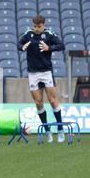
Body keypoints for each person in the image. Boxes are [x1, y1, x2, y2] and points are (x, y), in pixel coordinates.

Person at [17, 15, 66, 143]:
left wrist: (49, 48)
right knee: (38, 103)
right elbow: (19, 43)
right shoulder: (28, 34)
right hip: (33, 73)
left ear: (43, 25)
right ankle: (47, 131)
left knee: (52, 100)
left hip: (46, 72)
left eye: (39, 26)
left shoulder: (49, 34)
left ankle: (60, 129)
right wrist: (22, 47)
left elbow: (61, 45)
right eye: (34, 26)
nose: (36, 29)